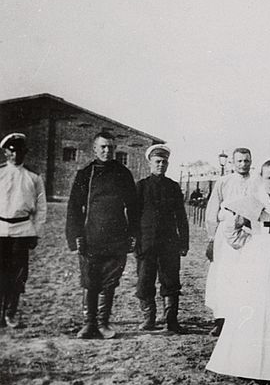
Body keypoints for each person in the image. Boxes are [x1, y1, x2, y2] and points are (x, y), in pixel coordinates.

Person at [206, 160, 270, 380]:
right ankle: (245, 363)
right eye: (269, 177)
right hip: (256, 258)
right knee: (251, 306)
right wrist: (248, 245)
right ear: (261, 178)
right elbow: (231, 229)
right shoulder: (251, 202)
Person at [66, 131, 138, 339]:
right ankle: (89, 324)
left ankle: (103, 323)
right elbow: (73, 208)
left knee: (109, 281)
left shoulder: (123, 174)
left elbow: (133, 207)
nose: (107, 151)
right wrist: (76, 236)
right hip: (90, 237)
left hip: (116, 238)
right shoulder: (85, 174)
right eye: (103, 147)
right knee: (89, 280)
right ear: (95, 149)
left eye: (111, 148)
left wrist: (133, 234)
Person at [134, 144, 189, 333]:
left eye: (164, 162)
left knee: (171, 282)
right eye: (157, 162)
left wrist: (184, 242)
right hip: (146, 243)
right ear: (150, 163)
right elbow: (133, 217)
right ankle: (148, 318)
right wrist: (134, 240)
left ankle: (171, 320)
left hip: (169, 245)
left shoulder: (173, 187)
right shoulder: (141, 187)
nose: (161, 165)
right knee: (144, 281)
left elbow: (181, 217)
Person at [204, 147, 253, 336]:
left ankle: (242, 319)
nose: (243, 164)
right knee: (223, 277)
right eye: (239, 161)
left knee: (245, 276)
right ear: (233, 162)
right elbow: (212, 210)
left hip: (248, 235)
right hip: (225, 238)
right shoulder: (223, 182)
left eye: (246, 161)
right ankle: (221, 320)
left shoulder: (256, 182)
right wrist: (211, 236)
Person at [0, 133, 46, 328]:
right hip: (0, 230)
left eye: (20, 151)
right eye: (12, 151)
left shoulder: (33, 178)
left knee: (17, 276)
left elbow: (41, 208)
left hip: (22, 231)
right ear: (5, 153)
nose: (16, 155)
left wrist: (35, 232)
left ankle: (11, 313)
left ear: (25, 154)